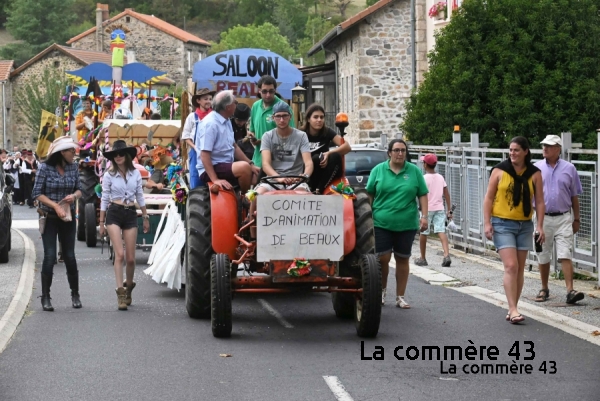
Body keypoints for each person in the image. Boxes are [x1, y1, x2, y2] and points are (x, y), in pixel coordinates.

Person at [483, 136, 545, 324]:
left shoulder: (534, 173)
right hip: (502, 223)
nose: (512, 153)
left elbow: (540, 201)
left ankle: (513, 307)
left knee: (519, 269)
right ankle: (513, 308)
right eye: (510, 150)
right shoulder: (500, 171)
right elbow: (488, 198)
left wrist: (540, 226)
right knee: (510, 266)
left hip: (525, 224)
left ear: (526, 151)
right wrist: (487, 223)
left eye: (516, 150)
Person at [366, 139, 429, 309]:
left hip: (406, 222)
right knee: (382, 258)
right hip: (381, 221)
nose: (400, 154)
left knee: (402, 258)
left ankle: (400, 296)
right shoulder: (378, 170)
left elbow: (422, 194)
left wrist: (424, 216)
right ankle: (381, 292)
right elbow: (369, 194)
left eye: (403, 150)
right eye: (396, 150)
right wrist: (367, 216)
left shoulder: (414, 171)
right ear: (389, 153)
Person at [31, 136, 83, 311]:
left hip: (67, 218)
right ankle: (45, 297)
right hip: (50, 218)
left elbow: (80, 189)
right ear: (62, 152)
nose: (74, 154)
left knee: (69, 256)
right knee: (50, 256)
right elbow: (36, 193)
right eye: (71, 151)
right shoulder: (44, 168)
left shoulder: (73, 167)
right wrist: (55, 205)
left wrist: (73, 196)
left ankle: (75, 294)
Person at [99, 140, 150, 311]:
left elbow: (140, 195)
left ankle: (129, 288)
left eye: (121, 154)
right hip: (114, 212)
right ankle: (120, 292)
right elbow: (104, 198)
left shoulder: (135, 174)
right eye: (115, 154)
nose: (118, 156)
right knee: (119, 254)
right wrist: (101, 222)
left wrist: (145, 215)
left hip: (130, 213)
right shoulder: (108, 175)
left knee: (130, 258)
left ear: (127, 155)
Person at [533, 135, 584, 304]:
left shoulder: (569, 168)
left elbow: (574, 196)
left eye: (548, 146)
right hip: (542, 218)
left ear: (558, 149)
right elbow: (530, 195)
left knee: (565, 253)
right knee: (543, 254)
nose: (544, 149)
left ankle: (570, 290)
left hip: (563, 217)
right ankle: (544, 288)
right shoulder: (536, 168)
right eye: (543, 146)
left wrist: (576, 219)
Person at [196, 90, 259, 193]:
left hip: (224, 164)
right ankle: (244, 200)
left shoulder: (226, 120)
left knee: (257, 173)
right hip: (211, 168)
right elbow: (204, 155)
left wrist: (251, 164)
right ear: (228, 107)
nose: (236, 105)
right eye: (235, 102)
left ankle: (242, 196)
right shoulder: (210, 124)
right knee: (244, 168)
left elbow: (234, 147)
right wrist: (215, 179)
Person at [299, 104, 350, 193]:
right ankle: (311, 188)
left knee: (336, 155)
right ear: (308, 119)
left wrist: (328, 153)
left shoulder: (327, 132)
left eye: (321, 117)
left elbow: (347, 147)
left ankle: (319, 189)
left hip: (327, 173)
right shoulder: (301, 133)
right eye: (315, 117)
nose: (319, 120)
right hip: (308, 172)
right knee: (315, 158)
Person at [248, 75, 295, 168]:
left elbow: (291, 135)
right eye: (265, 91)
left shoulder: (283, 107)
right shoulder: (255, 106)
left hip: (278, 161)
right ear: (259, 90)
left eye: (271, 91)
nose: (268, 95)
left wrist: (264, 141)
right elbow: (252, 130)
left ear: (275, 90)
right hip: (258, 159)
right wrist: (252, 137)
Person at [414, 153, 453, 267]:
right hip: (439, 208)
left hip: (427, 210)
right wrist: (449, 210)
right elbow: (446, 194)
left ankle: (422, 257)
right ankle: (446, 255)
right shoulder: (440, 177)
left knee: (424, 232)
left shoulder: (423, 178)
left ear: (425, 165)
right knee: (441, 231)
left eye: (423, 162)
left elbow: (419, 193)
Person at [181, 88, 215, 188]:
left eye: (210, 99)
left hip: (212, 154)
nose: (208, 101)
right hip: (196, 155)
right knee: (196, 183)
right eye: (205, 99)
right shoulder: (192, 117)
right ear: (198, 101)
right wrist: (196, 148)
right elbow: (186, 136)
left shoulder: (214, 116)